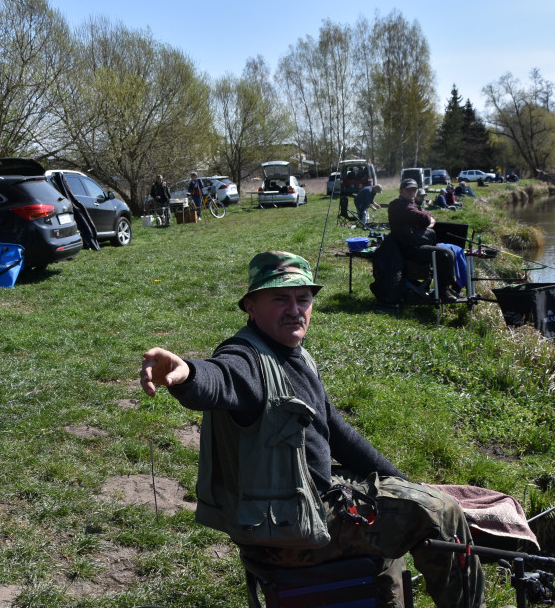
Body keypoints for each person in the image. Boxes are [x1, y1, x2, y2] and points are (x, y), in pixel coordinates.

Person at [140, 251, 487, 607]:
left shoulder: (295, 355)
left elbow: (336, 432)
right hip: (293, 532)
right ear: (251, 307)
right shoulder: (246, 359)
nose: (294, 309)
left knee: (399, 494)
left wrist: (408, 484)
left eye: (302, 299)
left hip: (303, 510)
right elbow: (221, 378)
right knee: (441, 513)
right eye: (279, 298)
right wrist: (187, 375)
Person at [388, 179, 460, 301]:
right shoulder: (400, 206)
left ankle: (447, 287)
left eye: (414, 190)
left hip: (414, 244)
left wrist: (424, 221)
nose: (412, 192)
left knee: (449, 249)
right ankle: (442, 290)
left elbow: (429, 216)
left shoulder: (411, 205)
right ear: (401, 191)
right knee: (446, 254)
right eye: (409, 190)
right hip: (408, 249)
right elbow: (425, 218)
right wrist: (425, 221)